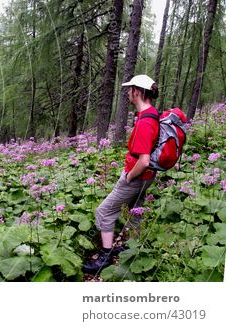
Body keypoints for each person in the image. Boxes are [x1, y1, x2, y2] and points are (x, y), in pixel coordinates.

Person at [82, 74, 160, 274]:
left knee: (104, 211)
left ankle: (105, 257)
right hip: (148, 176)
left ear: (137, 91)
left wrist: (129, 177)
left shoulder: (145, 122)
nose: (128, 93)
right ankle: (132, 249)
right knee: (136, 210)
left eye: (130, 89)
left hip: (137, 176)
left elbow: (143, 160)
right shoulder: (151, 114)